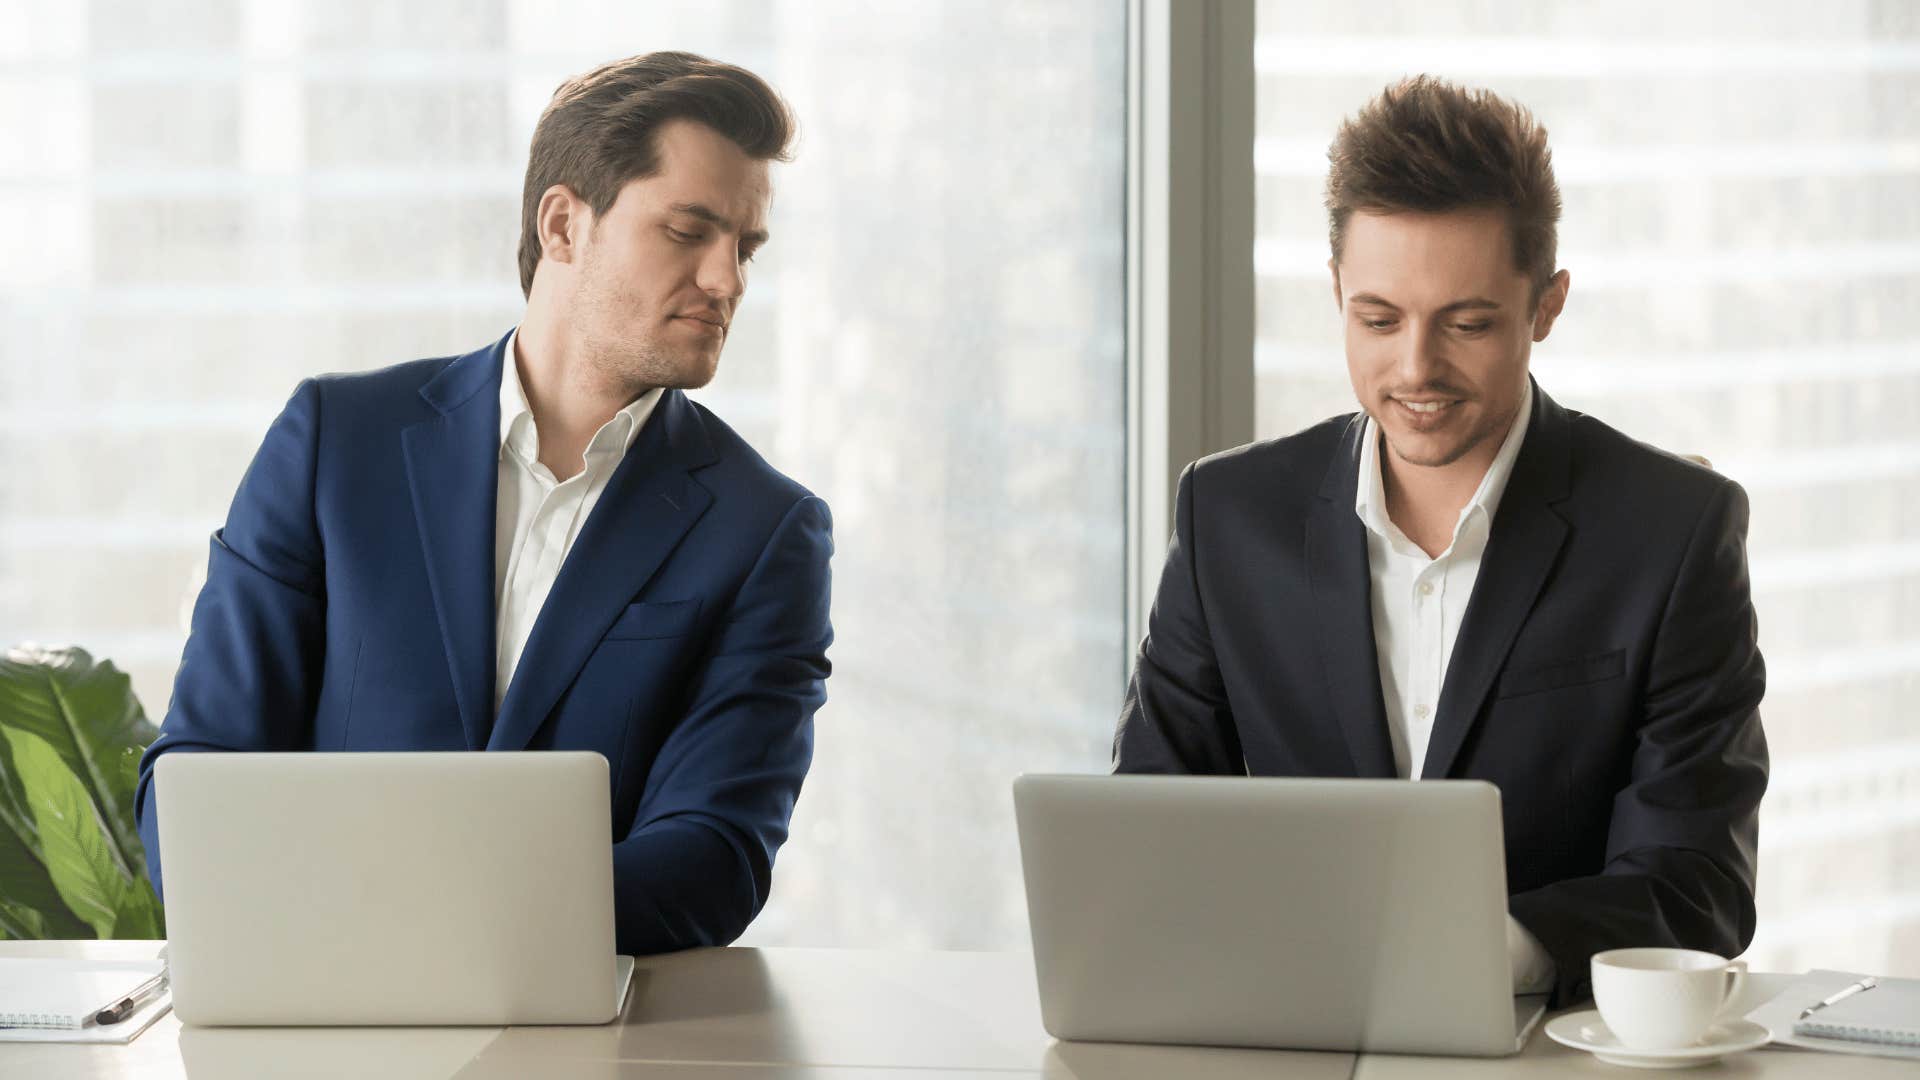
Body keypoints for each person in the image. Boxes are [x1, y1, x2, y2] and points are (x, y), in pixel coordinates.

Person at [134, 51, 832, 955]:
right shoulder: (334, 443)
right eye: (689, 231)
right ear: (563, 225)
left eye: (745, 248)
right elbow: (198, 777)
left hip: (588, 1036)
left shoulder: (764, 530)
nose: (728, 279)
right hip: (319, 1019)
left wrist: (417, 917)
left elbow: (715, 853)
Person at [1113, 75, 1766, 1006]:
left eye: (1467, 323)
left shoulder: (1675, 531)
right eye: (1377, 319)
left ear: (1546, 306)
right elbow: (1148, 829)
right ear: (1336, 290)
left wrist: (1493, 952)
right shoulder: (1227, 517)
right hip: (1283, 1033)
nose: (1416, 367)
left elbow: (1700, 883)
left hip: (1546, 1050)